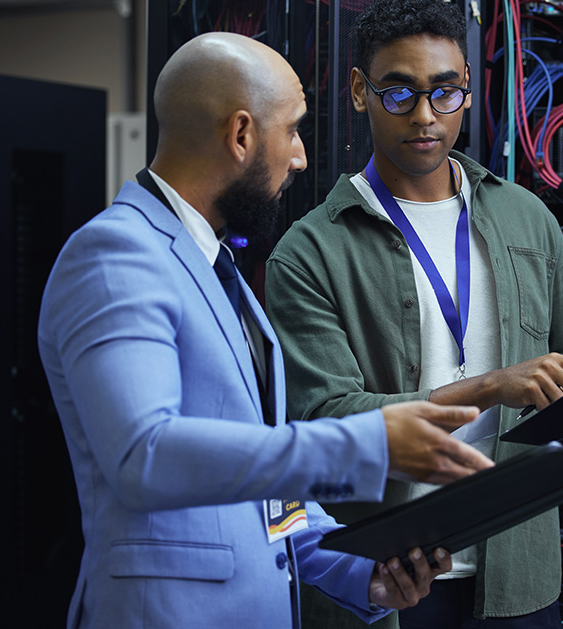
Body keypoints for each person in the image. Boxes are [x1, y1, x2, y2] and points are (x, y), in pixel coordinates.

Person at [37, 31, 496, 629]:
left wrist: (363, 573)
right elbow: (142, 455)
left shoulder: (218, 269)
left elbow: (267, 501)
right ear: (242, 135)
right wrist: (370, 443)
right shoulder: (116, 255)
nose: (302, 156)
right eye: (293, 130)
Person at [264, 0, 563, 628]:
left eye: (445, 92)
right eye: (398, 93)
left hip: (518, 573)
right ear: (358, 91)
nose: (425, 116)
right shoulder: (310, 251)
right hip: (387, 579)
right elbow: (323, 423)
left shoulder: (524, 217)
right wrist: (487, 388)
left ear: (469, 93)